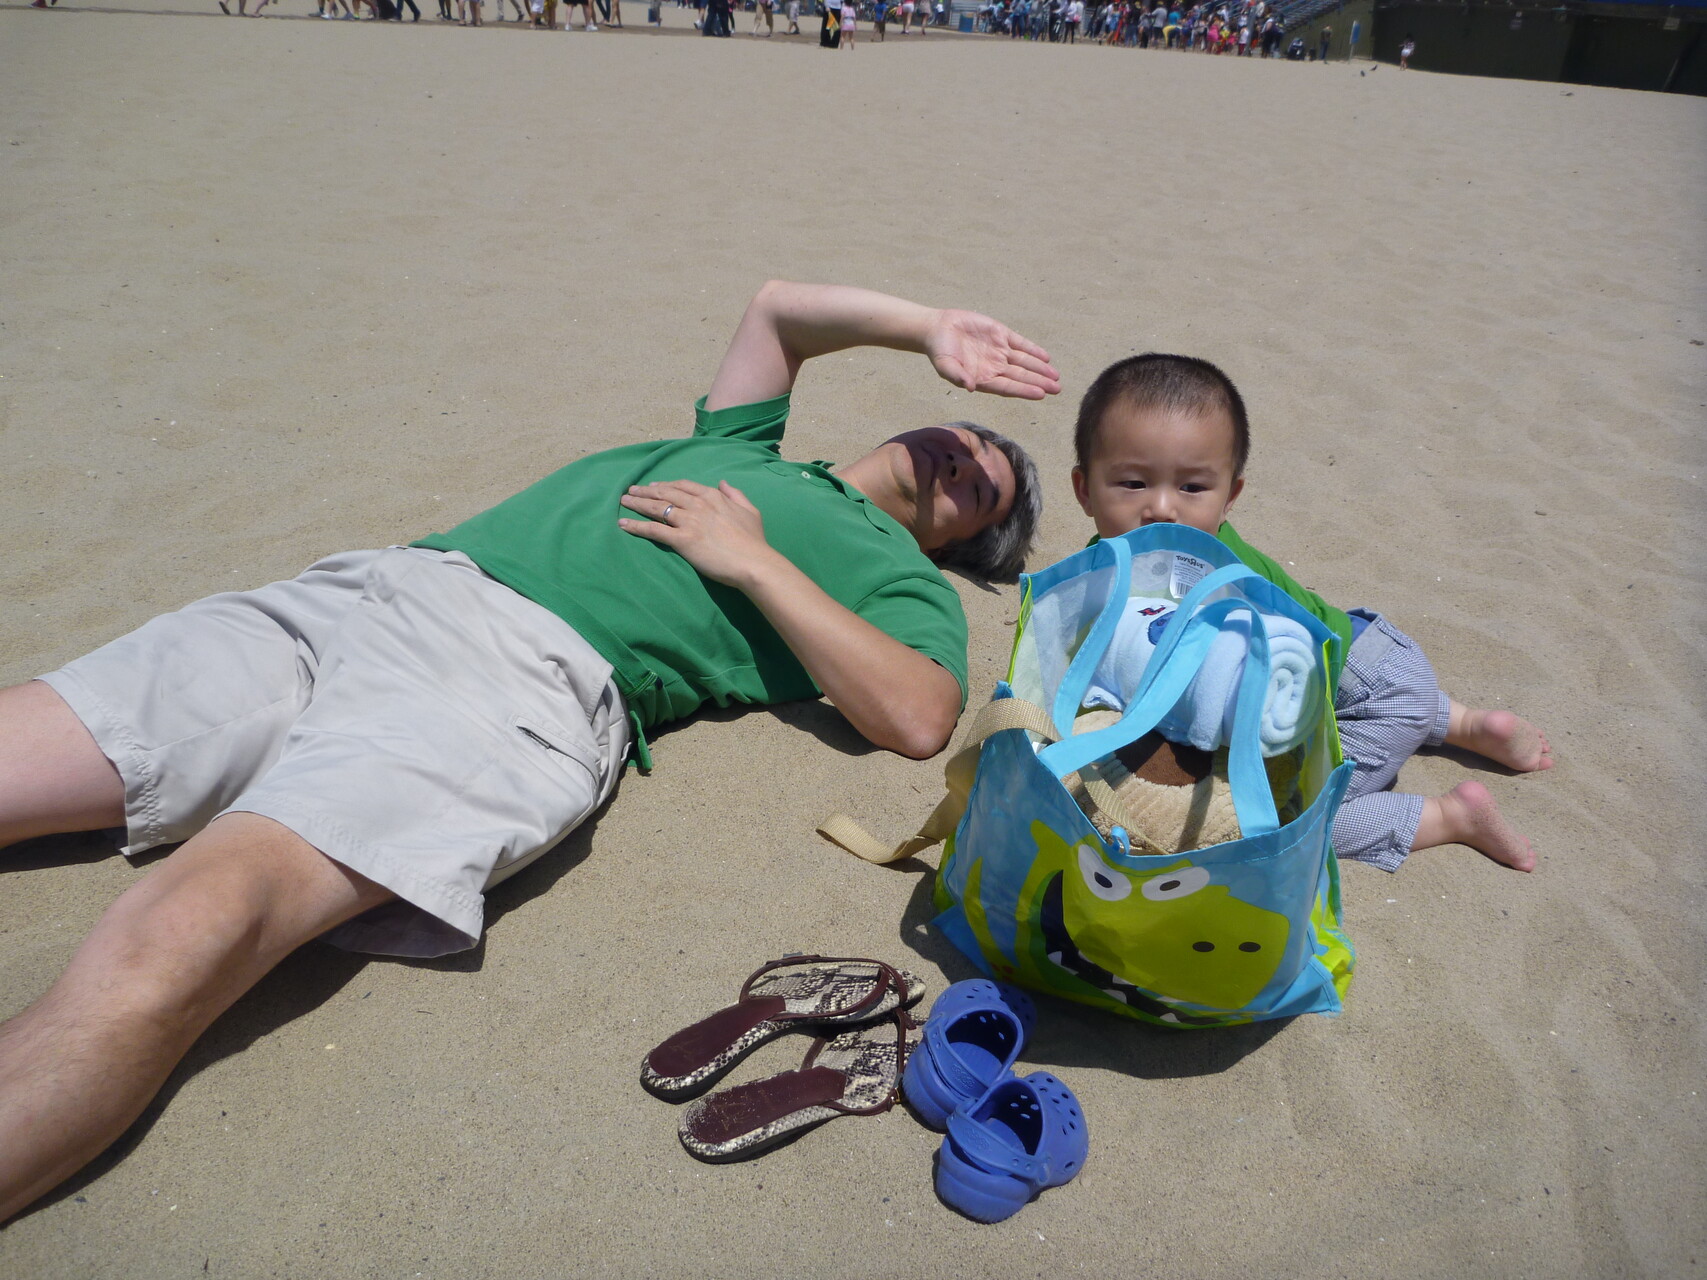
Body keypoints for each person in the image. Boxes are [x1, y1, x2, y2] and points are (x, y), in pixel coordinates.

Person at [0, 281, 1059, 1222]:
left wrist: (750, 562)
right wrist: (926, 324)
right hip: (380, 589)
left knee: (182, 933)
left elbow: (917, 714)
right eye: (966, 437)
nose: (964, 457)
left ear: (955, 544)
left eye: (979, 488)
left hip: (517, 685)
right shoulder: (746, 449)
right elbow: (778, 309)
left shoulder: (900, 578)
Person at [1067, 354, 1552, 879]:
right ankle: (1467, 723)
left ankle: (1450, 816)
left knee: (1284, 823)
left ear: (1230, 496)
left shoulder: (1206, 578)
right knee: (1380, 698)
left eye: (1192, 488)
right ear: (1085, 489)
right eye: (1133, 483)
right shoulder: (1117, 559)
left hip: (1365, 689)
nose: (1163, 508)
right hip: (1375, 650)